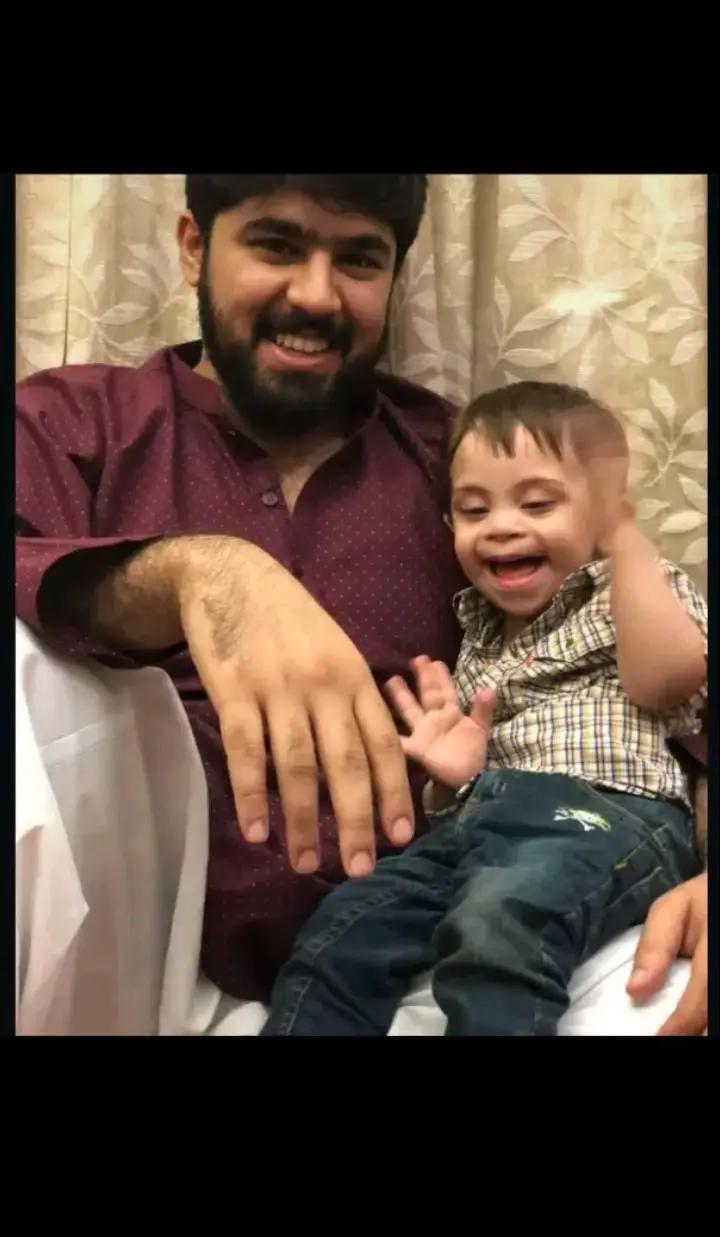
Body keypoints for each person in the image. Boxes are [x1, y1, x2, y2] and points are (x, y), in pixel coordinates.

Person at [15, 174, 708, 1031]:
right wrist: (197, 574)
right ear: (194, 246)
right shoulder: (78, 423)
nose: (316, 295)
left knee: (657, 994)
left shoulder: (467, 469)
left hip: (448, 936)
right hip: (115, 941)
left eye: (358, 260)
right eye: (276, 244)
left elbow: (667, 692)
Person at [261, 382, 707, 1035]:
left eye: (537, 503)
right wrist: (454, 778)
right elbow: (472, 795)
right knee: (342, 931)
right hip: (483, 820)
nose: (500, 525)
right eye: (474, 510)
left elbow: (668, 681)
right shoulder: (476, 627)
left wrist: (628, 546)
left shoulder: (634, 587)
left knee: (498, 922)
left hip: (603, 812)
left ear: (604, 513)